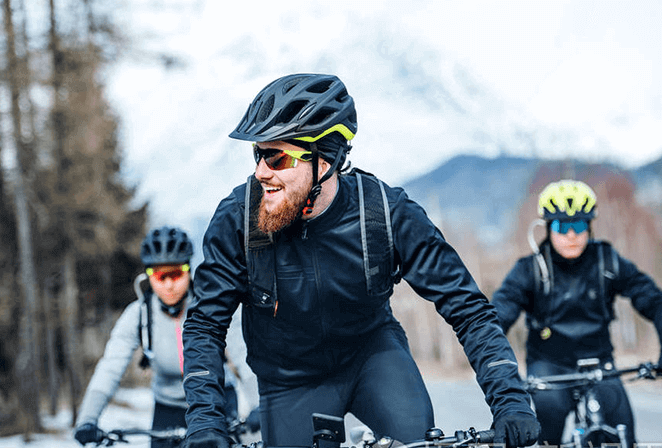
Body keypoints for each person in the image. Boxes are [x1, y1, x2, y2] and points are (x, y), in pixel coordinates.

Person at [181, 73, 540, 448]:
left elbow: (468, 308)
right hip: (290, 381)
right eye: (259, 154)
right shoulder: (239, 220)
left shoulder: (384, 214)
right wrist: (206, 422)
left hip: (374, 361)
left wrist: (510, 401)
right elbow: (205, 325)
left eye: (277, 157)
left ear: (324, 162)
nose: (261, 172)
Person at [492, 179, 662, 447]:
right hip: (548, 366)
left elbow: (652, 299)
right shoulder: (530, 269)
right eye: (562, 226)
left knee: (623, 435)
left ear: (589, 227)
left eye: (579, 225)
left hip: (600, 363)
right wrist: (498, 367)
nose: (571, 235)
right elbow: (498, 315)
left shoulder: (607, 260)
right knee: (547, 430)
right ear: (548, 228)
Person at [73, 227, 255, 447]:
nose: (169, 284)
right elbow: (110, 367)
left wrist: (259, 405)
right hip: (167, 408)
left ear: (189, 271)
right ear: (148, 276)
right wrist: (87, 419)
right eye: (160, 276)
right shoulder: (139, 314)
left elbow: (244, 355)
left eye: (176, 274)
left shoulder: (212, 307)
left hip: (216, 402)